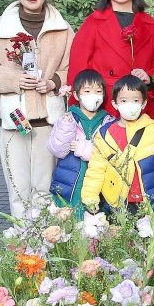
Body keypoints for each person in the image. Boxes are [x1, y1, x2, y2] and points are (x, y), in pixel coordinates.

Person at [0, 0, 72, 221]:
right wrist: (14, 80)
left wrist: (53, 81)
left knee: (45, 188)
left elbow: (74, 65)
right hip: (13, 118)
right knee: (18, 188)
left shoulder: (61, 27)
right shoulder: (1, 27)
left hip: (48, 120)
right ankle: (22, 241)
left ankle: (48, 240)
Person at [68, 0, 154, 120]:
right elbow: (77, 71)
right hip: (103, 108)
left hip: (139, 106)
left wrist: (149, 78)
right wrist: (77, 115)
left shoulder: (150, 25)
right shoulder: (93, 23)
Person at [81, 75, 154, 215]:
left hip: (149, 200)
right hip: (116, 201)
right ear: (115, 104)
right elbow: (96, 169)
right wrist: (90, 197)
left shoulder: (152, 129)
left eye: (136, 100)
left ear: (143, 104)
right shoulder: (105, 134)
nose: (130, 104)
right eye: (124, 100)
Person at [47, 70, 112, 215]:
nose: (93, 96)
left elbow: (110, 153)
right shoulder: (68, 118)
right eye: (87, 91)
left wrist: (84, 148)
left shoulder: (108, 121)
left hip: (98, 185)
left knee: (96, 221)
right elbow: (57, 150)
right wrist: (66, 127)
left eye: (98, 91)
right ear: (76, 95)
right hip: (70, 184)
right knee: (70, 218)